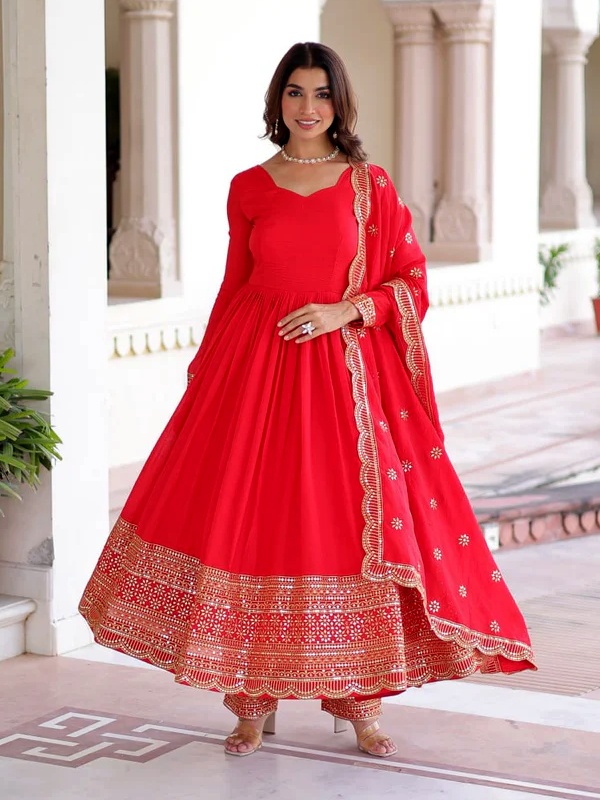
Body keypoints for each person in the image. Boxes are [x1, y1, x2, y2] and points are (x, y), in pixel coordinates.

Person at [80, 42, 535, 760]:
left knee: (344, 529)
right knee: (252, 523)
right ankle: (251, 699)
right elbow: (236, 285)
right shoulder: (248, 186)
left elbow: (411, 283)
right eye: (294, 93)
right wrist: (208, 375)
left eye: (321, 94)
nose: (308, 107)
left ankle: (360, 701)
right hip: (253, 375)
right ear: (278, 101)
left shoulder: (370, 186)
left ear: (340, 103)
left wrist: (345, 311)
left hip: (344, 382)